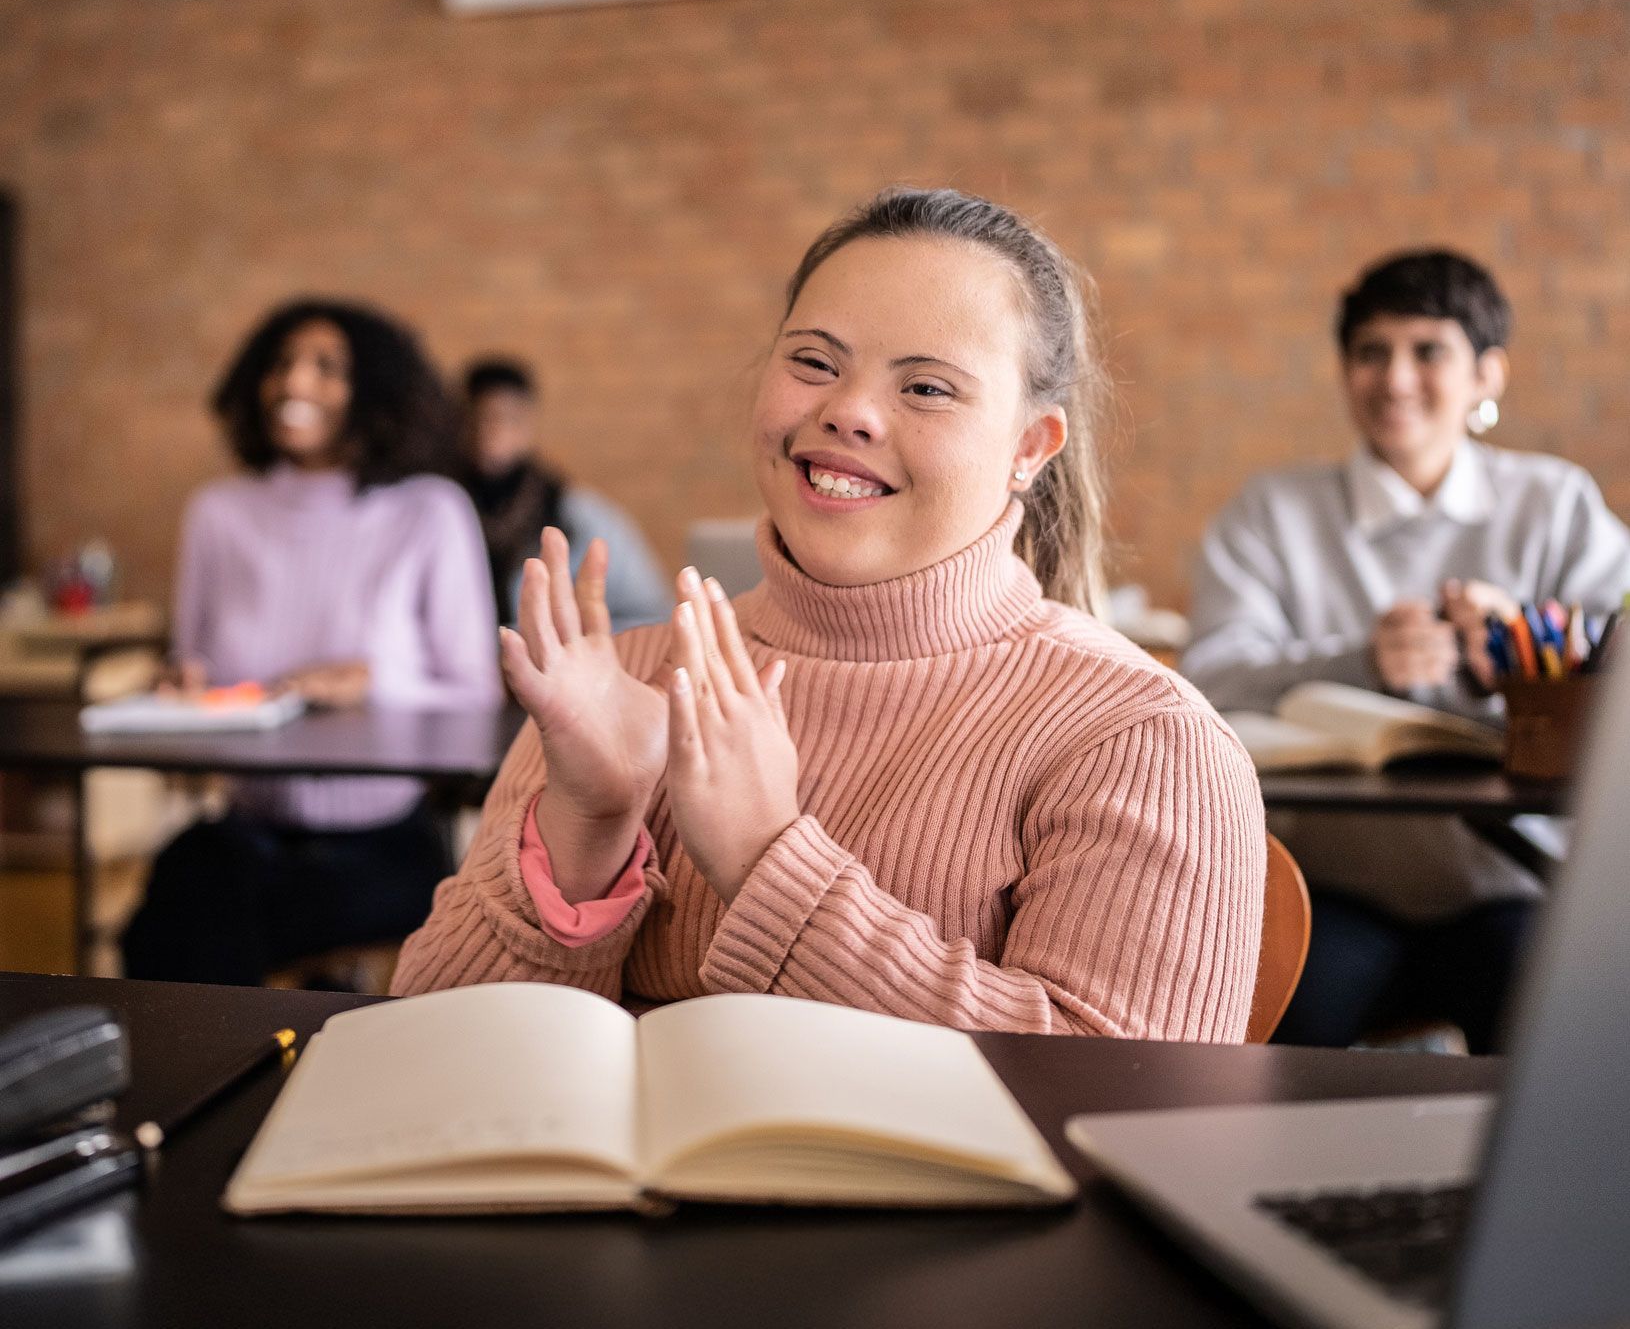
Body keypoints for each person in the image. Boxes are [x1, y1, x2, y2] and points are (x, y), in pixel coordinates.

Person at [394, 188, 1266, 1039]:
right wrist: (587, 820)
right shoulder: (618, 679)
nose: (846, 411)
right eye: (813, 361)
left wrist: (767, 861)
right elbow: (428, 1061)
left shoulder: (1140, 736)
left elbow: (1116, 1106)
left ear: (1031, 447)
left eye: (926, 388)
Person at [1182, 250, 1630, 1051]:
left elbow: (1614, 650)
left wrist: (1533, 651)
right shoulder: (1271, 510)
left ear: (1487, 375)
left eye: (1428, 351)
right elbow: (1208, 679)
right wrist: (1361, 661)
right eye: (1370, 351)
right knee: (1268, 1045)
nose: (1394, 378)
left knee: (1567, 1050)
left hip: (1512, 883)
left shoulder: (1554, 502)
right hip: (1333, 888)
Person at [122, 298, 502, 986]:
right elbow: (195, 661)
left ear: (377, 392)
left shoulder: (428, 512)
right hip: (246, 829)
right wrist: (182, 681)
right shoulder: (219, 513)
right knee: (181, 900)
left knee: (214, 924)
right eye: (281, 364)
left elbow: (477, 695)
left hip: (382, 840)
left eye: (326, 368)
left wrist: (373, 682)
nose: (294, 384)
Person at [459, 358, 669, 630]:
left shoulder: (579, 516)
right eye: (480, 419)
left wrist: (577, 637)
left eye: (507, 419)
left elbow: (650, 613)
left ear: (527, 424)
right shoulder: (442, 510)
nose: (491, 433)